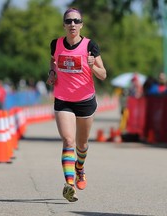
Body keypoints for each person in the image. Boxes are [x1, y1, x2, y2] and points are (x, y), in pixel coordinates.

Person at [46, 7, 107, 202]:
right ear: (64, 25)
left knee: (82, 145)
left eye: (76, 21)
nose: (72, 24)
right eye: (69, 21)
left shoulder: (90, 46)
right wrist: (52, 73)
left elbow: (103, 74)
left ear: (81, 25)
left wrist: (93, 65)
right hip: (63, 100)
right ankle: (69, 184)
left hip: (85, 101)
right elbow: (53, 62)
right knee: (68, 141)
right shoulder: (56, 44)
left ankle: (80, 169)